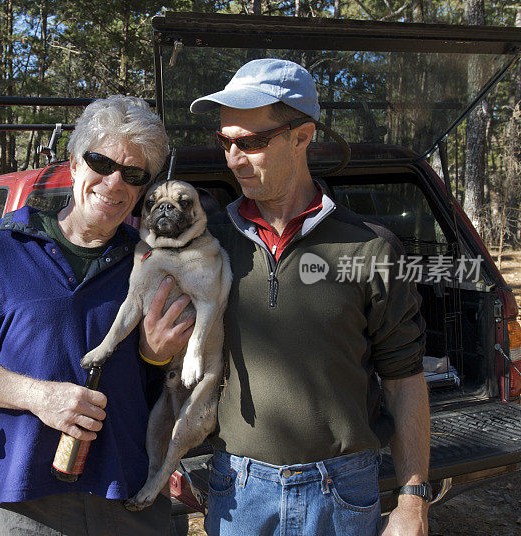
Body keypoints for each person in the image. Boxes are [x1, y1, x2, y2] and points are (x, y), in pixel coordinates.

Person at [145, 59, 431, 536]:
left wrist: (412, 498)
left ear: (303, 136)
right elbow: (166, 364)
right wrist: (153, 364)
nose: (234, 158)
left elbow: (404, 380)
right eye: (226, 142)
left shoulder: (369, 247)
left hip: (343, 491)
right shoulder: (206, 247)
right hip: (238, 490)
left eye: (251, 142)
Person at [0, 95, 191, 536]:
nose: (114, 183)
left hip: (131, 498)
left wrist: (156, 358)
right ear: (73, 163)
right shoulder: (4, 244)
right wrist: (38, 397)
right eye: (101, 163)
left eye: (133, 175)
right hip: (24, 503)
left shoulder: (155, 264)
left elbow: (184, 386)